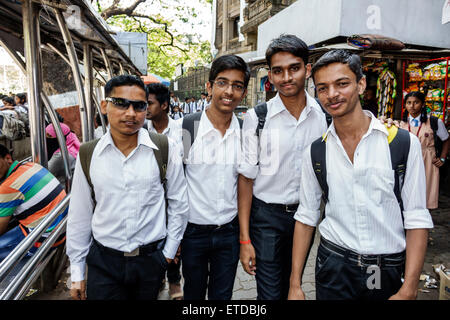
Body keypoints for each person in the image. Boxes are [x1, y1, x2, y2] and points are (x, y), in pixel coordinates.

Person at [288, 49, 433, 300]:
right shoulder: (316, 151)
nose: (332, 94)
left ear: (361, 84)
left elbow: (417, 217)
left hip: (382, 268)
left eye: (342, 84)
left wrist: (409, 288)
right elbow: (306, 216)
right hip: (333, 266)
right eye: (323, 88)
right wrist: (295, 285)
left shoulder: (401, 143)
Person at [66, 75, 189, 300]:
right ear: (104, 106)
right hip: (103, 263)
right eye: (121, 103)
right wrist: (77, 271)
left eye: (139, 106)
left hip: (150, 262)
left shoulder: (164, 148)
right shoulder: (89, 154)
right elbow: (79, 214)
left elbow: (179, 203)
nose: (131, 113)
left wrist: (168, 253)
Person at [238, 34, 328, 300]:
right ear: (270, 76)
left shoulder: (324, 117)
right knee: (269, 293)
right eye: (278, 71)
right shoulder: (258, 118)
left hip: (307, 216)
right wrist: (245, 239)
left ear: (307, 70)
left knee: (295, 286)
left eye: (294, 68)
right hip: (266, 219)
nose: (287, 77)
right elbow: (246, 179)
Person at [181, 54, 249, 300]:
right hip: (192, 233)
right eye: (222, 82)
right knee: (194, 295)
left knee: (223, 296)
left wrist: (244, 239)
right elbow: (174, 187)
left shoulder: (244, 132)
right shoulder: (187, 129)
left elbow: (244, 185)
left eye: (237, 85)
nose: (229, 91)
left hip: (228, 234)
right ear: (209, 87)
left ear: (243, 92)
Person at [145, 82, 183, 300]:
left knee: (175, 239)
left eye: (149, 103)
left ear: (165, 105)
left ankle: (175, 281)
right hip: (153, 197)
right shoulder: (140, 131)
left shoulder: (181, 130)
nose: (145, 108)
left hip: (175, 193)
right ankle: (158, 276)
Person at [0, 144, 67, 261]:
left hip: (45, 238)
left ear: (8, 158)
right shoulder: (31, 165)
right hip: (63, 226)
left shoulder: (8, 186)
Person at [399, 91, 449, 209]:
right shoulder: (402, 123)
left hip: (427, 160)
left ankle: (424, 220)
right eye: (408, 103)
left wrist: (442, 158)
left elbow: (446, 139)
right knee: (408, 189)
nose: (412, 106)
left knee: (426, 191)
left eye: (416, 102)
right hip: (408, 160)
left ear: (422, 104)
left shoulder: (434, 122)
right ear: (405, 105)